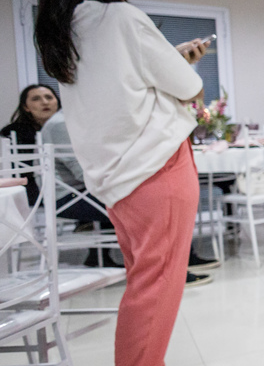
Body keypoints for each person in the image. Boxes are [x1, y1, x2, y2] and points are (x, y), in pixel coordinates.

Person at [34, 0, 208, 366]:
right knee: (157, 286)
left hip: (118, 178)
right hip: (157, 167)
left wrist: (168, 59)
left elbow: (124, 89)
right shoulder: (123, 18)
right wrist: (179, 64)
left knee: (145, 280)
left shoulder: (67, 30)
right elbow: (189, 86)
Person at [42, 110, 218, 279]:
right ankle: (165, 271)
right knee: (153, 203)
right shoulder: (61, 124)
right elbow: (81, 172)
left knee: (149, 196)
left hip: (83, 191)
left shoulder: (76, 119)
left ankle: (167, 266)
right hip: (70, 197)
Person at [2, 84, 60, 206]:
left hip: (69, 186)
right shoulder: (15, 134)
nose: (45, 102)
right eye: (36, 99)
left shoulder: (71, 129)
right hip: (33, 191)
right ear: (26, 107)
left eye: (49, 97)